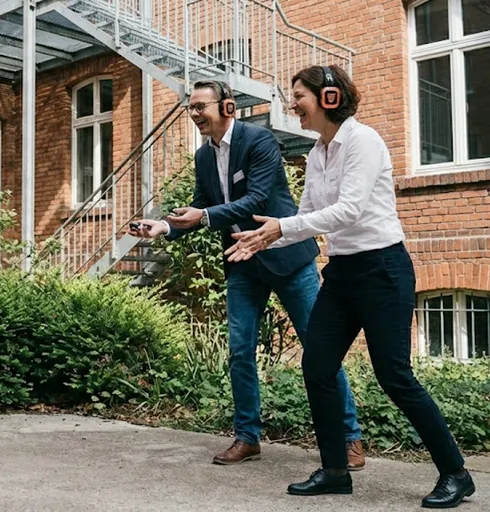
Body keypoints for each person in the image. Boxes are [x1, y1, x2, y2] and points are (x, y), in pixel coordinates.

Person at [225, 65, 475, 508]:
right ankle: (335, 471)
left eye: (299, 96)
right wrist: (266, 237)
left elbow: (350, 210)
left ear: (329, 98)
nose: (292, 105)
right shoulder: (317, 153)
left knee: (394, 376)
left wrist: (282, 227)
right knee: (318, 367)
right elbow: (306, 216)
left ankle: (456, 473)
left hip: (383, 271)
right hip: (341, 274)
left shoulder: (364, 141)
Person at [128, 80, 365, 468]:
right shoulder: (204, 157)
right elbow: (202, 207)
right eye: (191, 108)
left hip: (287, 258)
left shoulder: (259, 141)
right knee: (240, 349)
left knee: (320, 346)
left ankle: (349, 437)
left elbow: (255, 199)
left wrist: (204, 216)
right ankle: (247, 437)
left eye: (201, 106)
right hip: (242, 262)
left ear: (227, 107)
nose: (194, 114)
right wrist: (165, 227)